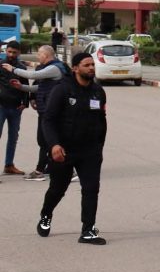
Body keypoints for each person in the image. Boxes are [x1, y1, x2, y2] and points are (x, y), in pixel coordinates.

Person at [36, 52, 108, 245]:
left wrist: (99, 145)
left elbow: (102, 119)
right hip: (64, 150)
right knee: (58, 189)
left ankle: (88, 230)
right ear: (75, 68)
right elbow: (48, 120)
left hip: (90, 151)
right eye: (86, 65)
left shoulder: (98, 91)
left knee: (91, 189)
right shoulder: (62, 90)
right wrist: (54, 145)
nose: (91, 68)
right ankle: (46, 214)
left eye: (92, 65)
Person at [2, 45, 70, 180]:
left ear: (45, 55)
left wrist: (13, 69)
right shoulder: (50, 68)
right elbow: (40, 87)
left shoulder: (54, 68)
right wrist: (21, 87)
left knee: (46, 139)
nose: (38, 57)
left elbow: (33, 75)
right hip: (46, 109)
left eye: (39, 54)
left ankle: (49, 170)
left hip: (52, 110)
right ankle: (52, 167)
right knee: (46, 140)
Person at [0, 41, 30, 176]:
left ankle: (9, 165)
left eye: (14, 52)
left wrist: (25, 102)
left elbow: (25, 86)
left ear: (19, 53)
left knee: (13, 137)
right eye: (9, 51)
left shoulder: (21, 68)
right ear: (6, 51)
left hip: (16, 107)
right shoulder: (0, 65)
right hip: (1, 106)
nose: (11, 54)